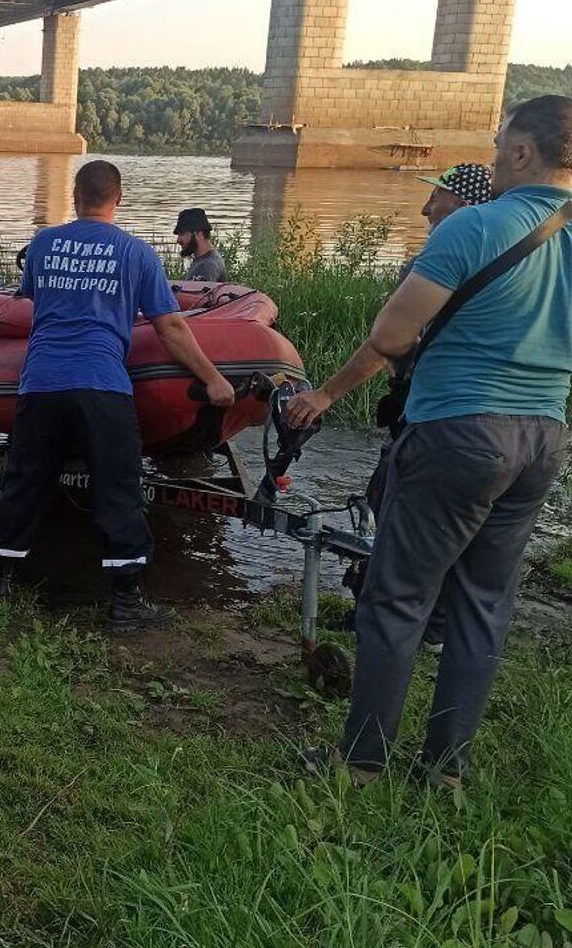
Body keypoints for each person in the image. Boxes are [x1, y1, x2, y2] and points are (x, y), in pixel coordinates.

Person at [288, 96, 571, 785]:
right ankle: (445, 769)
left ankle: (361, 766)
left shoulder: (476, 225)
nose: (497, 154)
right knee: (483, 601)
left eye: (503, 142)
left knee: (399, 597)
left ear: (524, 152)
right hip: (545, 436)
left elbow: (389, 335)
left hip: (457, 427)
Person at [0, 160, 236, 631]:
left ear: (75, 197)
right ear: (118, 199)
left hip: (42, 382)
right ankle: (126, 602)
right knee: (117, 488)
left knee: (25, 480)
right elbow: (171, 327)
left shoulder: (43, 245)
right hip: (102, 384)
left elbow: (31, 300)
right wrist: (213, 378)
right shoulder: (137, 253)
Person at [288, 161, 493, 652]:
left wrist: (325, 394)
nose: (426, 208)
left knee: (389, 508)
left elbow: (387, 343)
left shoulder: (438, 261)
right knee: (468, 528)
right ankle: (439, 628)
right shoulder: (516, 257)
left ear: (463, 204)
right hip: (509, 427)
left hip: (431, 415)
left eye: (436, 197)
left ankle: (380, 621)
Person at [174, 208, 226, 282]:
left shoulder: (206, 266)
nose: (178, 240)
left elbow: (195, 293)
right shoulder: (209, 259)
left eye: (182, 234)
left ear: (198, 234)